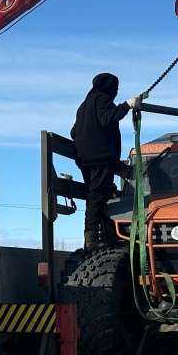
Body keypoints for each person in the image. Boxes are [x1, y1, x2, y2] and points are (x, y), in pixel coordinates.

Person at [71, 72, 137, 250]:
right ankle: (92, 237)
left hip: (86, 159)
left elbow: (73, 132)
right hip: (100, 159)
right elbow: (108, 118)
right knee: (97, 197)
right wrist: (127, 105)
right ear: (109, 88)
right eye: (115, 88)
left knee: (102, 194)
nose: (116, 91)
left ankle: (108, 236)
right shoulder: (101, 100)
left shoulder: (83, 106)